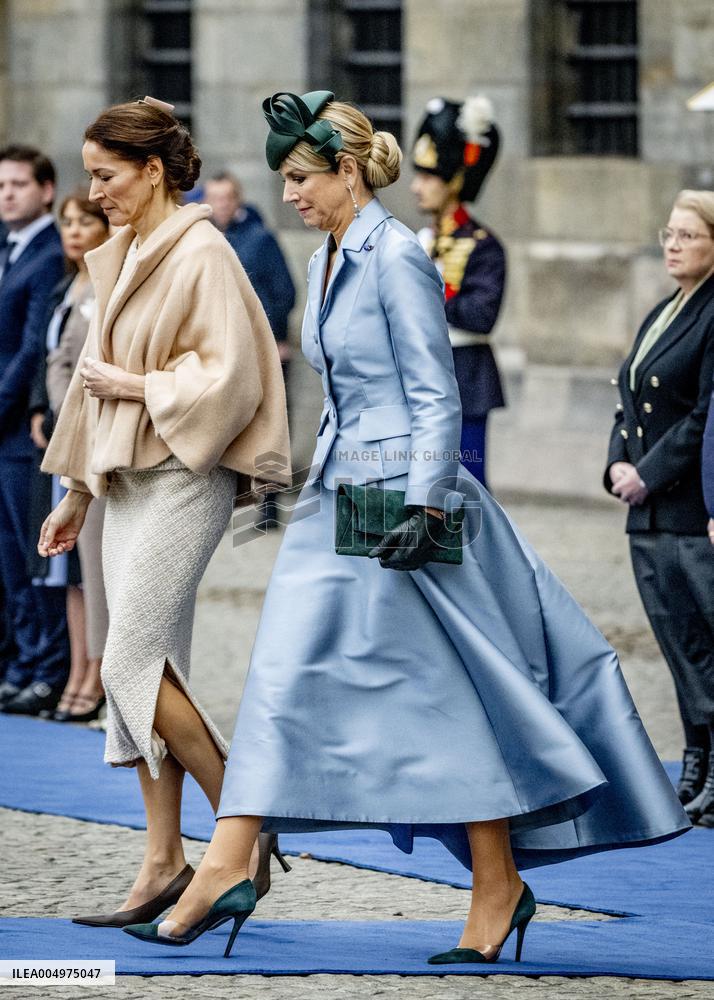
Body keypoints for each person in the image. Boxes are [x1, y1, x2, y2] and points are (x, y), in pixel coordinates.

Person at [123, 91, 687, 964]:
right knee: (306, 672)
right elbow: (332, 392)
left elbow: (435, 393)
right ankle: (246, 857)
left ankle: (278, 864)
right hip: (338, 499)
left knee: (435, 689)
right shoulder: (324, 259)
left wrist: (428, 505)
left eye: (302, 178)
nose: (291, 196)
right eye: (284, 180)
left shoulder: (398, 257)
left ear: (347, 171)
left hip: (401, 503)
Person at [38, 96, 291, 927]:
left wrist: (141, 386)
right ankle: (161, 862)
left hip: (187, 477)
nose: (95, 192)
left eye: (106, 176)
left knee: (127, 664)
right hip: (124, 482)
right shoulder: (128, 248)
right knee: (148, 673)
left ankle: (244, 834)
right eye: (90, 176)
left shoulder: (202, 248)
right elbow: (90, 388)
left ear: (152, 170)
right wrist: (75, 491)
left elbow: (235, 380)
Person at [604, 189, 714, 826]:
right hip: (644, 511)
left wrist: (648, 472)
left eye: (688, 236)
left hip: (686, 506)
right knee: (676, 643)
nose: (672, 245)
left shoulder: (713, 315)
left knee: (705, 640)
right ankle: (697, 758)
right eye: (669, 234)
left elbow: (705, 418)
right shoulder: (663, 312)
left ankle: (713, 762)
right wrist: (617, 460)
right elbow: (628, 397)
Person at [27, 187, 111, 723]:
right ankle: (79, 669)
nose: (74, 230)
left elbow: (85, 362)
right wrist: (47, 411)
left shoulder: (104, 284)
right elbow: (51, 356)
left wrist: (63, 414)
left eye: (85, 220)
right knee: (71, 572)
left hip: (93, 438)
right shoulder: (67, 285)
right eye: (68, 222)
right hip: (64, 437)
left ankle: (99, 675)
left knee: (96, 567)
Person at [0, 145, 66, 715]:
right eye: (2, 185)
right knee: (8, 559)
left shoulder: (47, 254)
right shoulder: (9, 248)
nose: (7, 194)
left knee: (33, 557)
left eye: (19, 184)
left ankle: (46, 667)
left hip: (24, 432)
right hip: (5, 435)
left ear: (46, 189)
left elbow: (28, 352)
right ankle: (21, 661)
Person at [410, 96, 505, 488]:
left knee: (466, 489)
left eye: (430, 177)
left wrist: (430, 289)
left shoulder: (484, 245)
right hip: (419, 371)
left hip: (464, 374)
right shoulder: (419, 238)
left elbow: (481, 314)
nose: (417, 187)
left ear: (454, 180)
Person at [204, 171, 296, 528]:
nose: (219, 205)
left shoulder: (259, 240)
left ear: (237, 200)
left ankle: (269, 503)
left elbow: (285, 292)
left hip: (262, 349)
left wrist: (276, 336)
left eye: (225, 198)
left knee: (269, 427)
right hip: (218, 350)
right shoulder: (205, 239)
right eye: (212, 198)